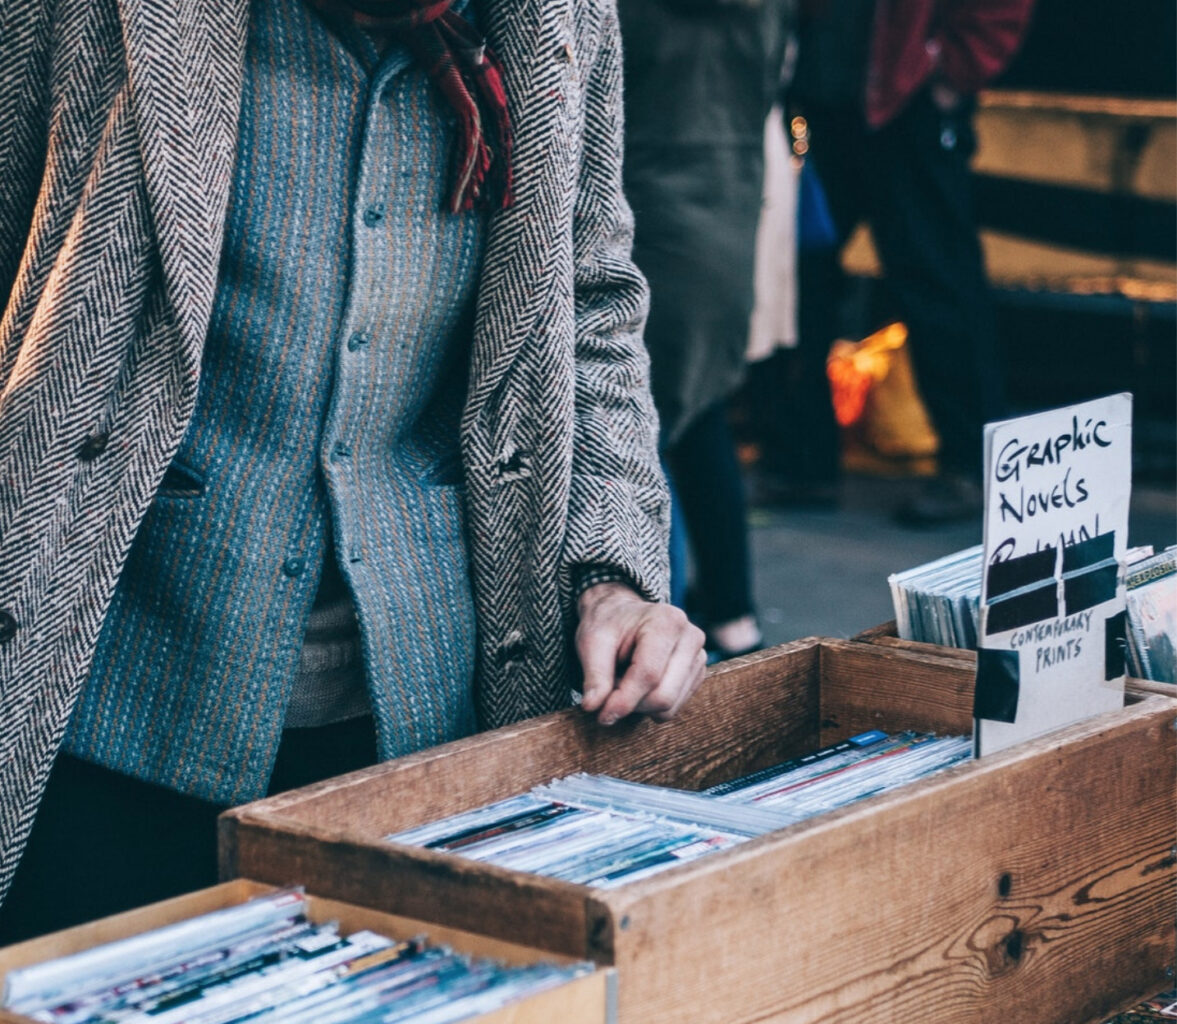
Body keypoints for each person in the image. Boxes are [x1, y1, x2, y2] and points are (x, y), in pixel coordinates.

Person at [0, 0, 706, 940]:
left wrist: (612, 576)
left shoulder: (561, 18)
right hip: (105, 702)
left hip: (423, 723)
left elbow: (593, 308)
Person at [769, 0, 1036, 523]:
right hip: (823, 100)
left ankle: (974, 469)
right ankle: (804, 463)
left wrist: (952, 74)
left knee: (940, 287)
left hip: (906, 101)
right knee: (798, 281)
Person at [619, 0, 791, 660]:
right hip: (728, 202)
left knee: (640, 427)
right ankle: (729, 615)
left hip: (649, 209)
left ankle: (661, 633)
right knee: (696, 415)